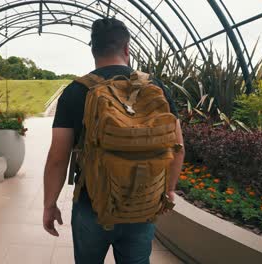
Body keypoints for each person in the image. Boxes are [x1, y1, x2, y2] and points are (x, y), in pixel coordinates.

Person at [43, 17, 185, 264]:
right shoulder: (155, 87)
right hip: (143, 203)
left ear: (93, 50)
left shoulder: (76, 91)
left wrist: (50, 204)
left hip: (92, 204)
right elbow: (178, 147)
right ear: (127, 48)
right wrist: (168, 190)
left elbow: (58, 158)